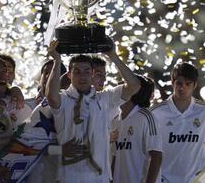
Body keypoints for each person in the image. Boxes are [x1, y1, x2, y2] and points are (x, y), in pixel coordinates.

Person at [45, 39, 141, 183]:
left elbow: (134, 86)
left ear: (92, 75)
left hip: (99, 178)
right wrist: (57, 61)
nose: (82, 76)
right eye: (77, 72)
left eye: (87, 72)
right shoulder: (64, 99)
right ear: (69, 75)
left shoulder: (105, 98)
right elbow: (51, 96)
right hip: (69, 178)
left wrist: (113, 56)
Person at [151, 61, 205, 183]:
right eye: (179, 83)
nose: (183, 88)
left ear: (195, 85)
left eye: (188, 84)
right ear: (172, 82)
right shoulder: (157, 112)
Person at [112, 75, 162, 183]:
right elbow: (115, 157)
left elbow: (157, 156)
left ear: (133, 92)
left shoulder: (147, 117)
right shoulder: (115, 120)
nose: (119, 89)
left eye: (124, 86)